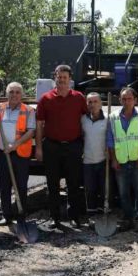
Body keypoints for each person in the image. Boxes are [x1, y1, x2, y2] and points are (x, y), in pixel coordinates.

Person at [35, 65, 88, 228]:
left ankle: (74, 217)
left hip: (73, 146)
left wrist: (84, 146)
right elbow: (39, 125)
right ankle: (55, 218)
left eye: (65, 77)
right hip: (52, 146)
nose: (62, 80)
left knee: (73, 184)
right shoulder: (45, 99)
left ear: (70, 79)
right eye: (59, 77)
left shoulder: (79, 98)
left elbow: (85, 122)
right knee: (52, 184)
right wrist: (38, 147)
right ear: (55, 78)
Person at [0, 82, 36, 225]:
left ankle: (21, 216)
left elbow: (31, 131)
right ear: (6, 94)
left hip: (20, 153)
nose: (14, 95)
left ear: (21, 94)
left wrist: (14, 145)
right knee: (4, 185)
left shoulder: (28, 110)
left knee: (21, 185)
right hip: (2, 153)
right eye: (11, 92)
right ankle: (7, 215)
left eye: (17, 92)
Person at [107, 87, 138, 232]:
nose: (126, 101)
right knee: (123, 192)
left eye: (129, 98)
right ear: (119, 100)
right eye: (123, 99)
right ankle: (127, 218)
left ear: (135, 100)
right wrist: (113, 159)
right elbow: (111, 140)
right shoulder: (113, 117)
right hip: (120, 160)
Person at [81, 92, 107, 215]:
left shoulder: (107, 120)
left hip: (102, 160)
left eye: (95, 101)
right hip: (87, 161)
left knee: (103, 189)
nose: (92, 104)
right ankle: (91, 213)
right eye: (89, 102)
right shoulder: (83, 120)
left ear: (101, 103)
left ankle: (102, 212)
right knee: (90, 189)